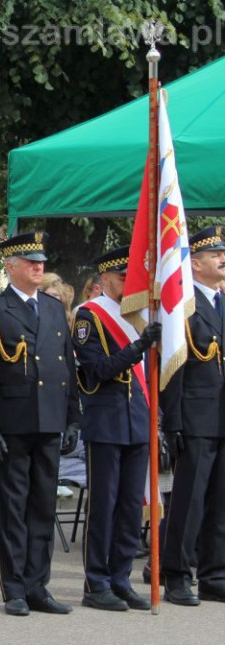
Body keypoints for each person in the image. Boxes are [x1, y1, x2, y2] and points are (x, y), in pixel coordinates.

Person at [0, 231, 80, 616]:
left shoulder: (52, 308)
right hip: (12, 422)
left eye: (41, 262)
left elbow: (66, 368)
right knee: (12, 508)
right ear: (10, 266)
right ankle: (15, 588)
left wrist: (73, 419)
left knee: (43, 506)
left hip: (50, 420)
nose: (39, 267)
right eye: (31, 262)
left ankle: (39, 585)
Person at [72, 246, 159, 611]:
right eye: (124, 277)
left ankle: (121, 578)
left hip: (137, 419)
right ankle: (96, 581)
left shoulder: (141, 316)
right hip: (106, 421)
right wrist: (139, 346)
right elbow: (97, 370)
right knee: (103, 505)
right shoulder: (90, 316)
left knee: (130, 506)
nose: (130, 284)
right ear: (105, 278)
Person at [160, 225, 225, 606]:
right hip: (196, 417)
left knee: (220, 502)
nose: (222, 259)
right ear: (195, 264)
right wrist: (173, 422)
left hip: (221, 416)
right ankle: (177, 574)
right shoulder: (183, 305)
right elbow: (175, 367)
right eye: (215, 254)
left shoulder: (221, 301)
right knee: (189, 502)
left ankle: (215, 574)